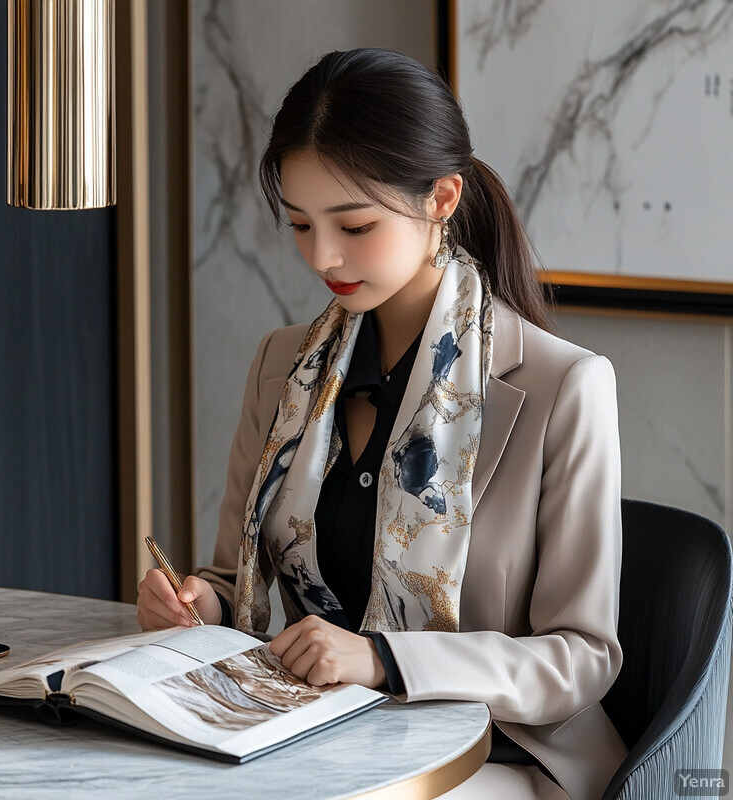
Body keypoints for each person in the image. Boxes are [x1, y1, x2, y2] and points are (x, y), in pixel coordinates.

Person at [137, 48, 626, 799]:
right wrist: (196, 603)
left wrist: (383, 659)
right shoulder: (282, 368)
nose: (323, 256)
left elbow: (582, 658)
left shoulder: (565, 387)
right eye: (301, 224)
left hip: (498, 761)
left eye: (354, 224)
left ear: (441, 199)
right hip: (314, 737)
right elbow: (238, 583)